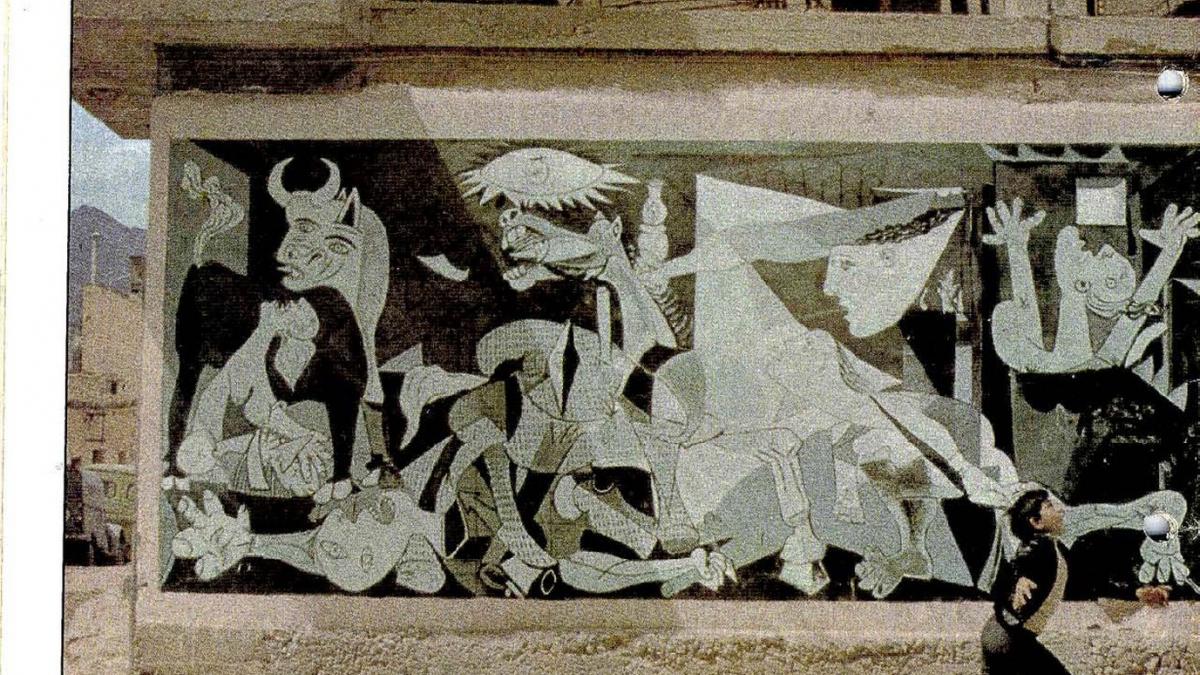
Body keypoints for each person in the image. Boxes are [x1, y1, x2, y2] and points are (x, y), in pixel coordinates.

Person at [981, 488, 1071, 674]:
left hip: (1001, 634)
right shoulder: (1041, 545)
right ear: (1036, 522)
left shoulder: (1047, 546)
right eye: (1049, 506)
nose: (1060, 510)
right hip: (1009, 639)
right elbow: (1023, 561)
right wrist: (1020, 578)